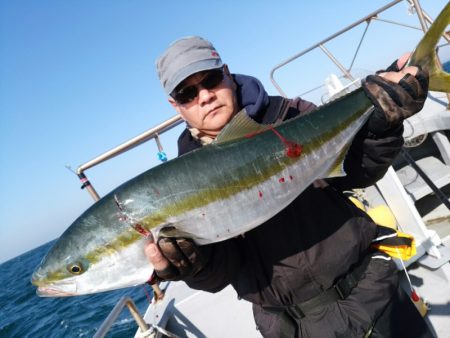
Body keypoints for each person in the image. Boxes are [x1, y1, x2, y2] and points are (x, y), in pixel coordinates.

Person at [145, 36, 432, 337]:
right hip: (292, 328)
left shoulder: (290, 115)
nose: (205, 96)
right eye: (188, 92)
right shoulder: (181, 184)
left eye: (212, 79)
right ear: (175, 105)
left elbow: (359, 172)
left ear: (227, 73)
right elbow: (222, 272)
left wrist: (379, 127)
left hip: (371, 291)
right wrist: (193, 265)